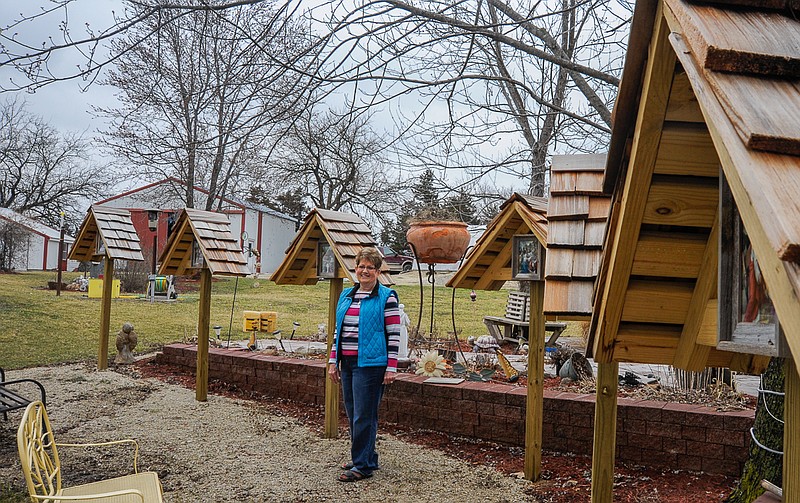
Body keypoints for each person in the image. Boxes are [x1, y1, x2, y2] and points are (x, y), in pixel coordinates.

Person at [327, 247, 400, 482]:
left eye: (370, 267)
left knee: (363, 416)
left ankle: (361, 466)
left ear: (378, 272)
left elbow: (394, 333)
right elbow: (338, 331)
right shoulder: (346, 295)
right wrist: (332, 362)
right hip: (347, 363)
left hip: (370, 365)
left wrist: (391, 367)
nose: (365, 271)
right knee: (353, 412)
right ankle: (367, 457)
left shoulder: (386, 297)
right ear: (355, 269)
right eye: (361, 266)